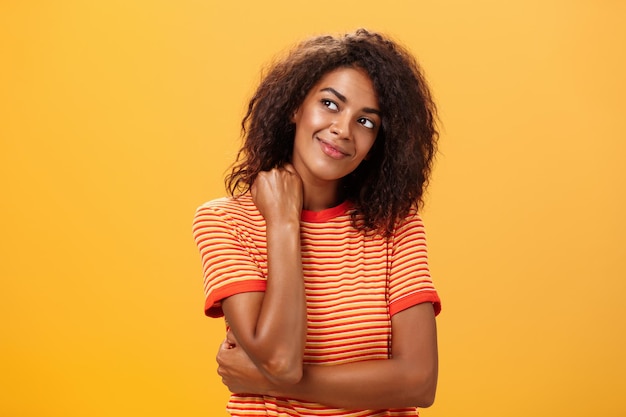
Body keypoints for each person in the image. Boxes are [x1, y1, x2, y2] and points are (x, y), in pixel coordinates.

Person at [193, 28, 442, 417]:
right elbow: (281, 359)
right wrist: (282, 222)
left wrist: (264, 381)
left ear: (379, 143)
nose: (343, 129)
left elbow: (419, 382)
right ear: (295, 107)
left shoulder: (396, 225)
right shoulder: (226, 221)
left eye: (366, 122)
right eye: (330, 104)